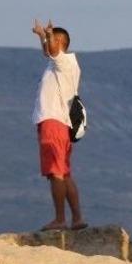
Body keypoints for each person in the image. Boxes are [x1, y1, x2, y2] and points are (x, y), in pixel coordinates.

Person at [31, 19, 86, 231]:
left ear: (60, 41)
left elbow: (52, 51)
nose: (49, 44)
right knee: (63, 172)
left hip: (53, 122)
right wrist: (42, 36)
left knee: (56, 173)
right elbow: (48, 52)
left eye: (52, 39)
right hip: (59, 124)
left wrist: (48, 34)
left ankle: (60, 219)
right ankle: (77, 218)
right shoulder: (59, 65)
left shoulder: (65, 62)